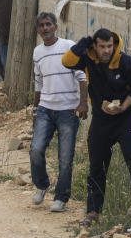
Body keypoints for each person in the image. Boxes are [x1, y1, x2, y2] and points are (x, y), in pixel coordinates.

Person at [62, 28, 131, 226]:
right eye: (102, 46)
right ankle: (93, 212)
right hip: (101, 121)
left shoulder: (125, 62)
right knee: (97, 166)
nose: (106, 51)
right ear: (95, 46)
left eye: (109, 46)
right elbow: (67, 62)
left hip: (126, 118)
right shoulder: (88, 59)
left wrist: (123, 107)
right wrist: (83, 42)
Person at [29, 12, 88, 213]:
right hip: (46, 108)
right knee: (36, 149)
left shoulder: (69, 47)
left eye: (48, 24)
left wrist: (83, 104)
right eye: (41, 25)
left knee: (65, 157)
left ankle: (61, 198)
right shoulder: (37, 52)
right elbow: (38, 82)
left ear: (55, 26)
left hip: (68, 111)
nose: (45, 28)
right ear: (37, 30)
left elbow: (82, 76)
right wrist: (35, 109)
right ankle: (42, 185)